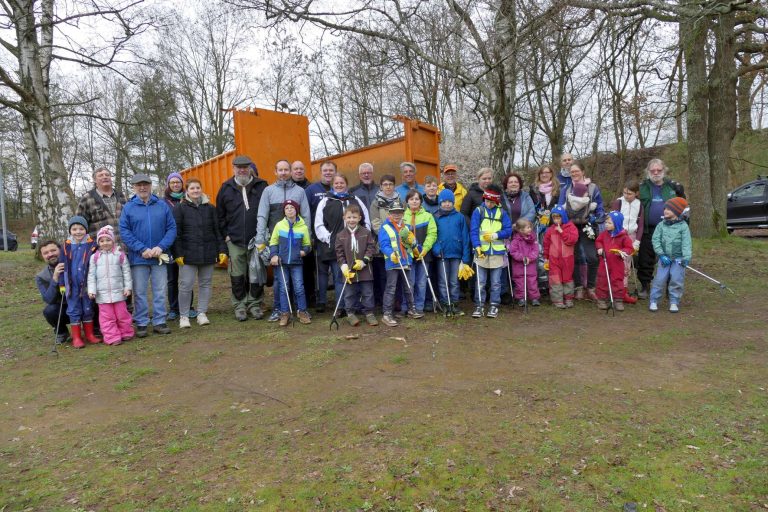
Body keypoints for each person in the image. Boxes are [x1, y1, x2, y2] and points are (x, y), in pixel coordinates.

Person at [119, 173, 177, 337]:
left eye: (145, 184)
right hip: (139, 258)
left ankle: (159, 321)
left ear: (151, 185)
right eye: (139, 185)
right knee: (140, 292)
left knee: (160, 290)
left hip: (160, 257)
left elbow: (171, 228)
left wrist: (161, 246)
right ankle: (142, 322)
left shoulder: (162, 205)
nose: (142, 187)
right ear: (134, 187)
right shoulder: (128, 207)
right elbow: (125, 231)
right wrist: (141, 249)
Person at [255, 160, 311, 322]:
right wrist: (260, 239)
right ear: (275, 172)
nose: (284, 172)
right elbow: (262, 215)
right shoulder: (268, 191)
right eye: (281, 170)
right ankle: (279, 309)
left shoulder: (300, 191)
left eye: (286, 169)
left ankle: (301, 309)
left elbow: (306, 215)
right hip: (277, 242)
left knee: (298, 279)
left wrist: (308, 240)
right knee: (279, 279)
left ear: (291, 172)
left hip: (296, 242)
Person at [216, 155, 268, 321]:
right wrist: (226, 235)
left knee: (256, 273)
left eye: (245, 167)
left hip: (257, 239)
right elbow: (220, 215)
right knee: (237, 275)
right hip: (235, 240)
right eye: (239, 167)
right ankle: (239, 305)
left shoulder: (261, 185)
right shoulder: (226, 188)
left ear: (250, 168)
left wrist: (264, 235)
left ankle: (255, 304)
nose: (242, 170)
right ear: (234, 169)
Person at [172, 178, 227, 329]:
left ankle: (202, 313)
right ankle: (184, 316)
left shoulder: (210, 208)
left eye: (198, 188)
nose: (195, 191)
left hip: (208, 252)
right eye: (192, 188)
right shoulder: (180, 208)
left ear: (201, 189)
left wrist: (222, 249)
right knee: (186, 285)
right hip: (187, 255)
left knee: (205, 284)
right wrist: (178, 252)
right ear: (187, 191)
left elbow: (217, 231)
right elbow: (176, 232)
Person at [314, 174, 371, 313]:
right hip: (335, 247)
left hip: (356, 247)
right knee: (340, 276)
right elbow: (319, 224)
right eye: (336, 183)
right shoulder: (325, 201)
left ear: (346, 184)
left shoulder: (355, 199)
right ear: (333, 184)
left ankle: (353, 306)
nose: (339, 185)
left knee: (357, 276)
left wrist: (363, 237)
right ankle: (341, 307)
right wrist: (330, 238)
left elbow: (366, 220)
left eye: (342, 183)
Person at [637, 158, 686, 299]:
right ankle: (645, 286)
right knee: (645, 259)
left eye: (659, 170)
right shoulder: (642, 187)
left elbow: (683, 204)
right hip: (648, 229)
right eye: (653, 170)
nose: (656, 173)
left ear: (664, 170)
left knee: (671, 257)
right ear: (648, 171)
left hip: (670, 229)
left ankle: (670, 288)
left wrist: (681, 193)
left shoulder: (672, 186)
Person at [559, 161, 604, 301]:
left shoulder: (593, 188)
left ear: (583, 172)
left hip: (588, 226)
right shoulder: (566, 189)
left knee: (592, 257)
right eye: (572, 172)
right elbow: (560, 208)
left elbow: (600, 207)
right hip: (572, 227)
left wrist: (597, 218)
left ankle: (591, 288)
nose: (574, 174)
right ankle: (578, 287)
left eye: (576, 171)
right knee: (576, 257)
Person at [470, 184, 512, 319]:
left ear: (497, 201)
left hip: (497, 252)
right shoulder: (478, 211)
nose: (488, 204)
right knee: (480, 281)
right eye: (487, 201)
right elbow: (474, 230)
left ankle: (494, 304)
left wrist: (496, 235)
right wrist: (476, 246)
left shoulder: (502, 212)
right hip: (481, 251)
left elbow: (508, 230)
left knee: (495, 282)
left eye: (491, 202)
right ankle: (479, 305)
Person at [379, 199, 423, 326]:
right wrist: (391, 254)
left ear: (403, 213)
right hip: (393, 262)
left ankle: (411, 309)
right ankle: (387, 314)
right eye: (394, 212)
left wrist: (414, 243)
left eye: (399, 212)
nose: (396, 214)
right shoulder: (385, 227)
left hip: (406, 260)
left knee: (409, 287)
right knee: (391, 288)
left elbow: (412, 243)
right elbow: (383, 244)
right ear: (389, 213)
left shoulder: (407, 226)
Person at [87, 226, 134, 345]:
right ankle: (112, 337)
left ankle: (126, 333)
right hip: (102, 295)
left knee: (122, 314)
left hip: (119, 292)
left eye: (108, 240)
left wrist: (127, 287)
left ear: (113, 241)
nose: (105, 243)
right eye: (102, 241)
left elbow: (126, 272)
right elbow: (91, 276)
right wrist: (91, 290)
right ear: (98, 243)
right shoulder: (95, 257)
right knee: (107, 318)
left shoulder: (120, 255)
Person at [269, 199, 312, 326]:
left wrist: (303, 252)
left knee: (299, 287)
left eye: (292, 208)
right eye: (287, 208)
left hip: (296, 263)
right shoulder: (279, 225)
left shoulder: (303, 227)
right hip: (282, 263)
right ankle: (285, 313)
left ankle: (302, 311)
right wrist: (274, 255)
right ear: (284, 211)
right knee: (284, 288)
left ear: (296, 210)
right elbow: (273, 242)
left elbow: (307, 245)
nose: (289, 210)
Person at [58, 216, 100, 348]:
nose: (78, 232)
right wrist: (62, 284)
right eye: (74, 229)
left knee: (87, 308)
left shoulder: (92, 245)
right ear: (70, 231)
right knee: (74, 309)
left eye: (81, 229)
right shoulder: (66, 246)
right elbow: (61, 266)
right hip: (71, 284)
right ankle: (76, 337)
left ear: (86, 230)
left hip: (87, 283)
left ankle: (89, 334)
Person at [335, 204, 377, 326]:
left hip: (365, 270)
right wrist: (344, 267)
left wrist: (364, 260)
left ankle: (369, 312)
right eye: (349, 217)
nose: (351, 220)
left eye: (354, 217)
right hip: (349, 271)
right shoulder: (340, 235)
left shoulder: (366, 233)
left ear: (359, 218)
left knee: (368, 292)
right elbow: (339, 253)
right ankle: (350, 313)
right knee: (349, 293)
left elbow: (371, 248)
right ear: (344, 218)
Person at [431, 189, 472, 315]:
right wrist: (436, 249)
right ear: (440, 202)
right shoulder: (436, 216)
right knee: (443, 280)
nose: (447, 204)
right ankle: (445, 303)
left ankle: (454, 303)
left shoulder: (459, 217)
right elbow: (433, 235)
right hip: (442, 254)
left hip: (456, 254)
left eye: (450, 201)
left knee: (454, 281)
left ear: (453, 202)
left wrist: (465, 256)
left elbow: (465, 237)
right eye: (444, 202)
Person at [649, 197, 692, 313]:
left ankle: (674, 301)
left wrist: (686, 258)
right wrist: (661, 254)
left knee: (676, 279)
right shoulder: (661, 225)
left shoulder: (683, 227)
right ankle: (654, 300)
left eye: (669, 209)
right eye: (665, 209)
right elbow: (656, 240)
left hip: (678, 259)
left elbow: (686, 244)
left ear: (677, 212)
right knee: (659, 279)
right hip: (664, 258)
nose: (666, 211)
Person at [403, 189, 437, 315]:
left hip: (424, 255)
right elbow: (401, 236)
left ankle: (419, 307)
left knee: (422, 282)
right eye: (411, 199)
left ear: (420, 201)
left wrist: (424, 249)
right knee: (409, 282)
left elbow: (432, 234)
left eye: (417, 199)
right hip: (408, 255)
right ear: (407, 201)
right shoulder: (403, 217)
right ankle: (409, 307)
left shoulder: (428, 216)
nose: (414, 201)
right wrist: (410, 249)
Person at [610, 179, 644, 304]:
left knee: (626, 265)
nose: (626, 196)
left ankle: (623, 292)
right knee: (616, 263)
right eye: (625, 193)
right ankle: (615, 290)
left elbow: (640, 224)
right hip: (619, 236)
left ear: (636, 193)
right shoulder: (618, 202)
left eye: (629, 193)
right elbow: (612, 220)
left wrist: (637, 241)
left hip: (631, 236)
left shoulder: (639, 204)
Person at [163, 172, 191, 321]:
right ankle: (174, 308)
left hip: (185, 243)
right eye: (172, 182)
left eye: (178, 182)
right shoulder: (163, 202)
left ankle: (188, 307)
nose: (175, 185)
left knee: (187, 278)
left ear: (182, 184)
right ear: (168, 185)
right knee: (172, 278)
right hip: (169, 244)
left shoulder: (188, 200)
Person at [595, 211, 635, 311]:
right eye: (606, 223)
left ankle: (618, 300)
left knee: (617, 281)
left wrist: (622, 252)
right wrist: (599, 248)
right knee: (602, 280)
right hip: (604, 262)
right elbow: (598, 241)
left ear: (616, 224)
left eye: (609, 223)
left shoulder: (624, 236)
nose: (606, 225)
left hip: (617, 263)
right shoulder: (604, 234)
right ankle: (602, 299)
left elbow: (629, 248)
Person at [76, 166, 128, 243]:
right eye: (100, 175)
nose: (105, 177)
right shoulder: (87, 198)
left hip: (124, 248)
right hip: (100, 250)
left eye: (107, 175)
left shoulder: (121, 196)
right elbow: (79, 225)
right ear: (95, 180)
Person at [370, 174, 400, 305]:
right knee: (383, 275)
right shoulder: (375, 203)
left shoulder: (400, 200)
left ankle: (398, 301)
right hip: (382, 244)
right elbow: (375, 223)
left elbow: (403, 219)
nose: (388, 187)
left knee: (397, 273)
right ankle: (385, 301)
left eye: (391, 184)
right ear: (381, 186)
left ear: (394, 185)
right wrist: (386, 236)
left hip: (399, 244)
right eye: (385, 184)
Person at [542, 205, 579, 308]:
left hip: (567, 259)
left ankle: (568, 298)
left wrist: (562, 232)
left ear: (563, 217)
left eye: (559, 217)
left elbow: (572, 240)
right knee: (555, 279)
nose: (556, 220)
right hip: (554, 259)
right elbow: (546, 244)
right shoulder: (550, 230)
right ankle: (557, 300)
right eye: (554, 218)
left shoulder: (571, 227)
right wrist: (546, 257)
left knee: (567, 278)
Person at [36, 240, 70, 344]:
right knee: (49, 311)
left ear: (60, 250)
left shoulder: (72, 263)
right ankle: (61, 332)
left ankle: (95, 326)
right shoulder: (41, 276)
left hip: (80, 303)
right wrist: (55, 278)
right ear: (42, 256)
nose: (50, 254)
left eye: (53, 250)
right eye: (46, 253)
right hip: (63, 309)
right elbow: (48, 299)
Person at [507, 218, 541, 307]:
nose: (530, 229)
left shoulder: (533, 239)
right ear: (521, 230)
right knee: (519, 283)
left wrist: (530, 258)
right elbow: (513, 252)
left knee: (532, 282)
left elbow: (536, 250)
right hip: (518, 266)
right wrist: (522, 258)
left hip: (531, 266)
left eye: (530, 227)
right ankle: (521, 298)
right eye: (527, 227)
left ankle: (534, 298)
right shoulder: (515, 241)